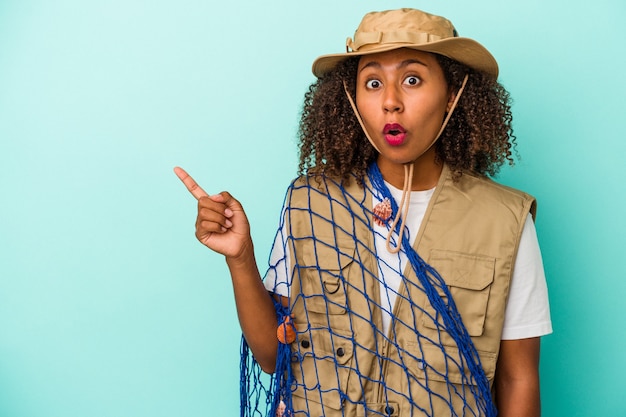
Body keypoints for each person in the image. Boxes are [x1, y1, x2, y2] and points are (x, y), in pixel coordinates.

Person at [175, 8, 551, 417]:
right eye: (373, 83)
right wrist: (241, 258)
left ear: (452, 95)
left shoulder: (506, 221)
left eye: (412, 80)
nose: (391, 101)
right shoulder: (310, 202)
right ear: (351, 100)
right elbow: (272, 356)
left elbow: (518, 379)